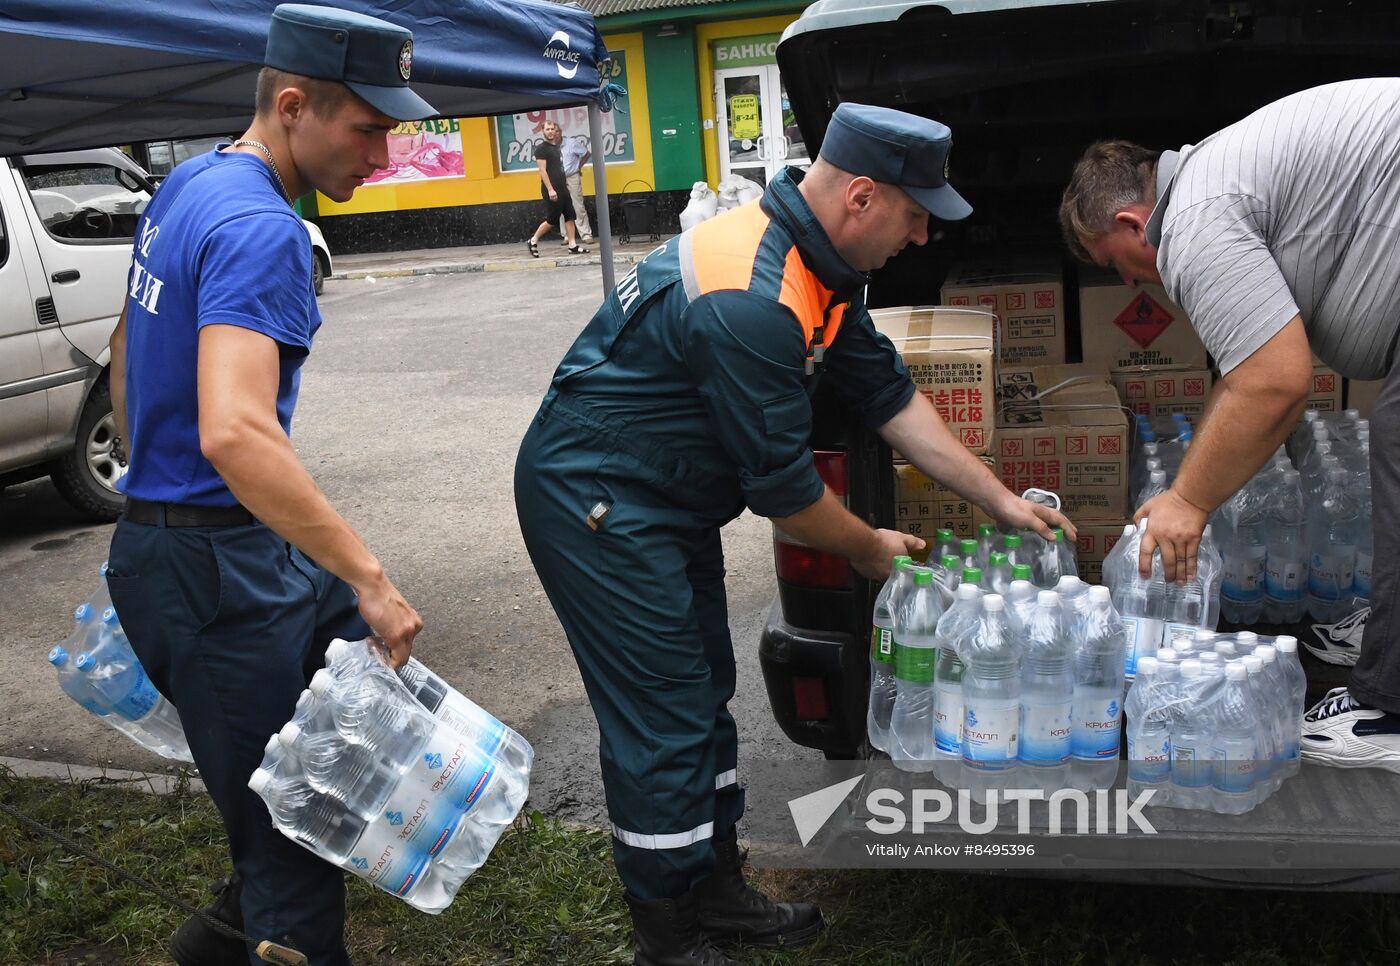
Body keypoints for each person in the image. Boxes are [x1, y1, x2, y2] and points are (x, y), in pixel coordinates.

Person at [515, 102, 1076, 965]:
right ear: (860, 197)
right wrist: (868, 547)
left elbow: (888, 396)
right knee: (662, 714)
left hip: (662, 498)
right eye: (917, 216)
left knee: (705, 686)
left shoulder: (825, 270)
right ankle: (666, 934)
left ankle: (715, 888)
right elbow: (789, 495)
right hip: (599, 502)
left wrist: (999, 500)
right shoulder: (752, 298)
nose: (923, 239)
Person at [104, 5, 430, 963]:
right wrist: (370, 577)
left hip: (189, 545)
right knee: (297, 837)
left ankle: (203, 951)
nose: (384, 154)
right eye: (368, 128)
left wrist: (150, 486)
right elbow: (239, 431)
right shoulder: (265, 230)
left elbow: (127, 352)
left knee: (306, 784)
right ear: (293, 106)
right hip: (216, 564)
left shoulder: (190, 185)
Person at [1059, 77, 1400, 772]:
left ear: (1130, 224)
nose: (1130, 284)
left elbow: (1275, 383)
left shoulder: (1193, 218)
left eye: (1115, 267)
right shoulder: (1218, 177)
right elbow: (1246, 377)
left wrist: (1189, 502)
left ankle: (1390, 712)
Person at [527, 119, 587, 256]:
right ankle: (533, 240)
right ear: (543, 131)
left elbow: (558, 168)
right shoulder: (541, 149)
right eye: (547, 129)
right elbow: (543, 171)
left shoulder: (556, 147)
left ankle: (572, 245)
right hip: (552, 190)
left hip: (562, 188)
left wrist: (563, 183)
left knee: (570, 215)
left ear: (556, 131)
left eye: (552, 129)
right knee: (552, 220)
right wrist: (550, 189)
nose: (550, 132)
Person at [558, 132, 594, 244]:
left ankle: (586, 235)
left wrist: (578, 167)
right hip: (558, 179)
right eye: (549, 131)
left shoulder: (571, 143)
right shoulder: (550, 147)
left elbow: (586, 153)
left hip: (572, 176)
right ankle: (566, 236)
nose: (553, 134)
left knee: (578, 205)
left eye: (555, 131)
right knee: (561, 207)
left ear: (560, 133)